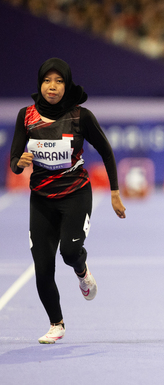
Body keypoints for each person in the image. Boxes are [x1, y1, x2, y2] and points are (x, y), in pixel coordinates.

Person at [9, 58, 126, 344]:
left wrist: (114, 192)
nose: (52, 86)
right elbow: (14, 160)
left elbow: (106, 151)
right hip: (41, 199)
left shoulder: (80, 116)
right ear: (40, 84)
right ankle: (56, 323)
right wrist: (18, 162)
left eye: (59, 81)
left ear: (67, 84)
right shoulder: (26, 115)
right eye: (47, 81)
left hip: (75, 194)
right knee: (43, 265)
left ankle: (82, 272)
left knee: (70, 253)